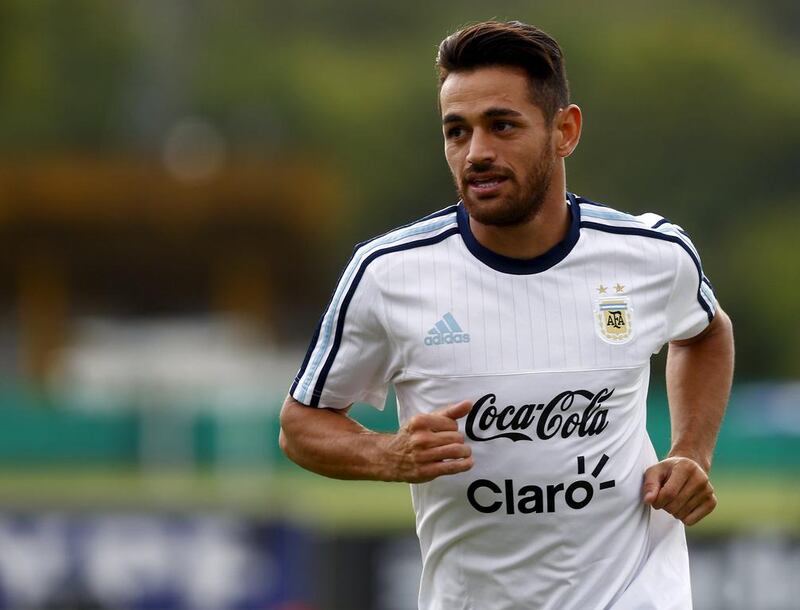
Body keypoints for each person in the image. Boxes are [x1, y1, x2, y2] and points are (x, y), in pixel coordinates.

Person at [279, 20, 734, 610]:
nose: (477, 153)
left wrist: (690, 451)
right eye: (456, 131)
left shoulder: (652, 256)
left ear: (564, 130)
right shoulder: (389, 274)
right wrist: (387, 454)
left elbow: (704, 332)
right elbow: (300, 426)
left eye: (502, 125)